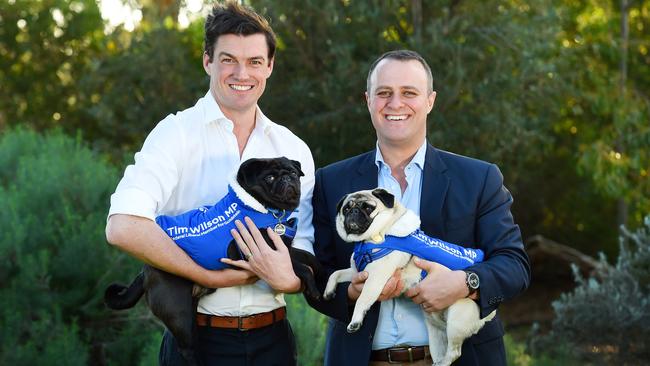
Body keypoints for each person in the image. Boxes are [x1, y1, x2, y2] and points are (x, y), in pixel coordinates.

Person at [104, 2, 314, 365]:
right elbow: (122, 226)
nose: (241, 73)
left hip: (273, 340)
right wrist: (206, 277)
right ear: (208, 62)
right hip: (195, 339)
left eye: (254, 61)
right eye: (228, 59)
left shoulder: (292, 148)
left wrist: (291, 281)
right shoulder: (176, 133)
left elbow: (308, 243)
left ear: (270, 66)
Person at [306, 49, 531, 365]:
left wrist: (466, 283)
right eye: (384, 93)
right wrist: (351, 294)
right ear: (368, 99)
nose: (395, 104)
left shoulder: (479, 178)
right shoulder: (332, 182)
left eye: (408, 93)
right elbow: (317, 275)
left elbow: (514, 265)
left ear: (430, 100)